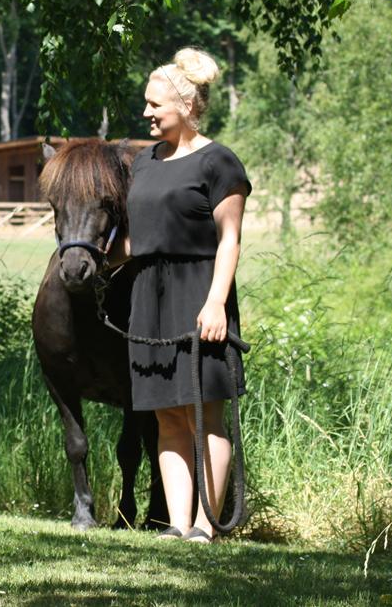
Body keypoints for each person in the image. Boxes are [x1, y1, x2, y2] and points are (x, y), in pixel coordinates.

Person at [124, 47, 250, 543]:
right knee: (167, 416)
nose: (147, 113)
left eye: (155, 105)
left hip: (199, 294)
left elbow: (231, 239)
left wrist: (216, 301)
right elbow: (141, 237)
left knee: (205, 415)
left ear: (187, 104)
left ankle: (205, 526)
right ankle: (177, 525)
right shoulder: (143, 163)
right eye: (146, 104)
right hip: (147, 299)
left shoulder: (219, 162)